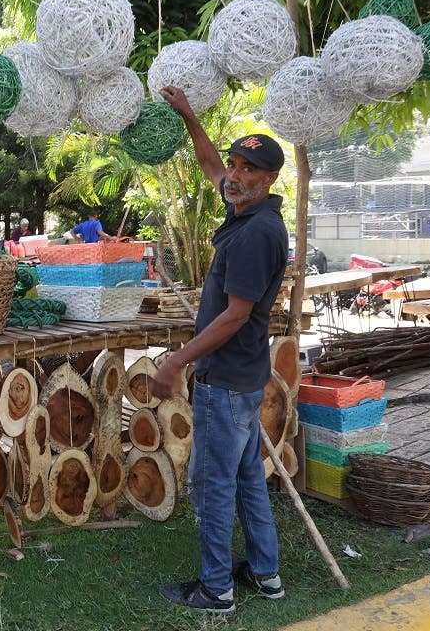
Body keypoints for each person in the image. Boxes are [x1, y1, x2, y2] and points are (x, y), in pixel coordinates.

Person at [154, 85, 288, 615]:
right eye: (234, 164)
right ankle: (265, 573)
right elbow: (210, 165)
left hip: (227, 380)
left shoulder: (258, 233)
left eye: (247, 169)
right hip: (244, 380)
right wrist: (189, 115)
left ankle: (216, 590)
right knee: (248, 478)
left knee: (212, 487)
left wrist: (176, 360)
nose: (233, 174)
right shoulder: (244, 209)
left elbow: (235, 314)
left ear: (270, 179)